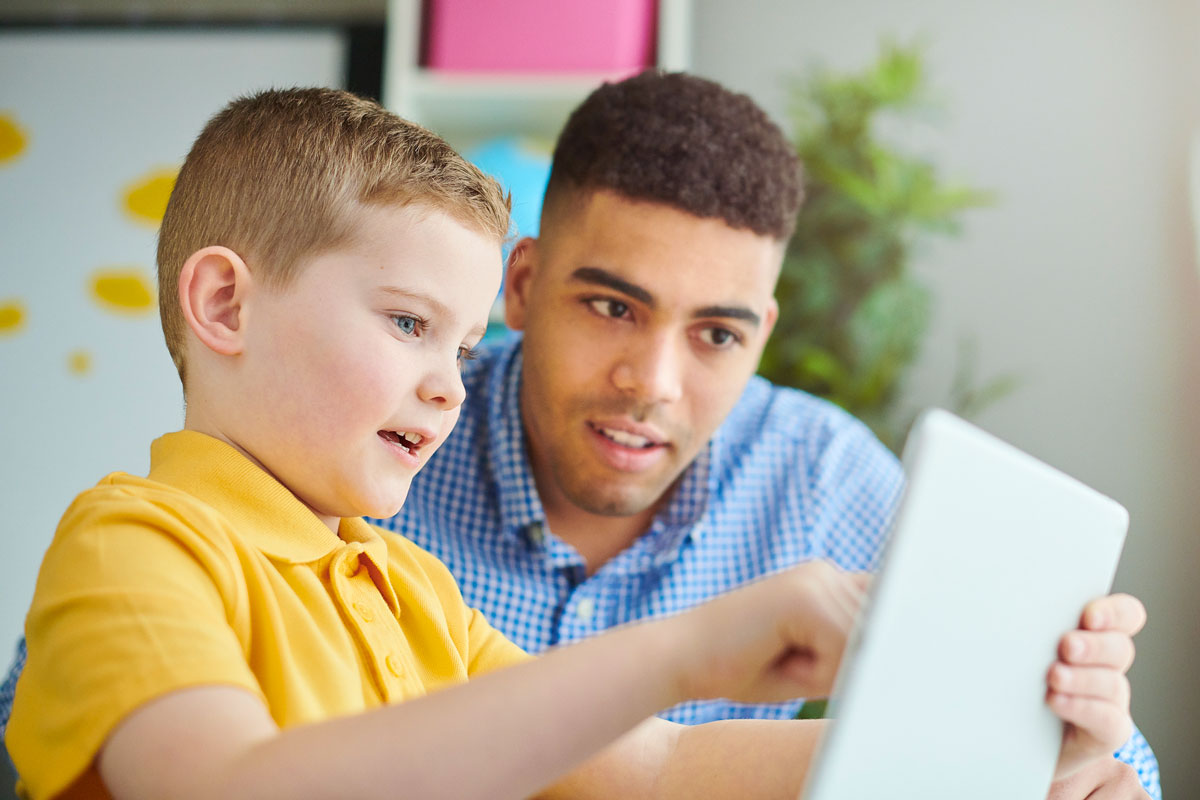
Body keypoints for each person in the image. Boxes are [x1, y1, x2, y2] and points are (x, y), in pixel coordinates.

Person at [0, 78, 1153, 799]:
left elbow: (653, 768)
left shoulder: (399, 584)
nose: (450, 389)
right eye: (408, 323)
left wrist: (1004, 766)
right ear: (224, 304)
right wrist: (687, 650)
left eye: (457, 351)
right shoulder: (135, 543)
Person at [375, 71, 1161, 798]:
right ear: (522, 284)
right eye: (613, 308)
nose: (653, 383)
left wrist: (1090, 752)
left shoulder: (819, 474)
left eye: (716, 334)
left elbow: (1103, 761)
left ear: (761, 336)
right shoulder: (388, 440)